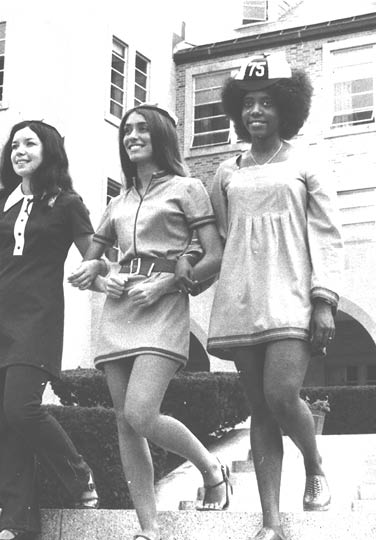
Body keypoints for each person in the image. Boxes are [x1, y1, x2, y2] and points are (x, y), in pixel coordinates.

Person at [68, 104, 228, 540]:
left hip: (164, 305)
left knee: (141, 412)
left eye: (141, 129)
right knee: (125, 421)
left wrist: (167, 286)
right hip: (119, 312)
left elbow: (214, 254)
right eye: (127, 130)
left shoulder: (188, 187)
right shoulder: (117, 202)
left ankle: (210, 466)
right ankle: (149, 528)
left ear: (160, 137)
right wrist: (104, 277)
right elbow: (90, 265)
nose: (132, 136)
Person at [207, 53, 344, 540]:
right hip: (243, 297)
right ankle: (271, 522)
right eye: (248, 104)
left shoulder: (307, 163)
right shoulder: (225, 172)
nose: (255, 111)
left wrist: (324, 299)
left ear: (286, 108)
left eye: (266, 103)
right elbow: (221, 242)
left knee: (281, 394)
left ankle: (314, 462)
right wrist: (179, 274)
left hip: (292, 296)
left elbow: (327, 234)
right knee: (260, 410)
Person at [0, 120, 99, 540]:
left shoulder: (67, 202)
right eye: (14, 145)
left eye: (29, 143)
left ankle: (78, 475)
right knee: (4, 424)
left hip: (39, 315)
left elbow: (92, 252)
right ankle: (16, 525)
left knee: (21, 408)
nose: (19, 151)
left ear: (48, 150)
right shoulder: (0, 201)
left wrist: (98, 269)